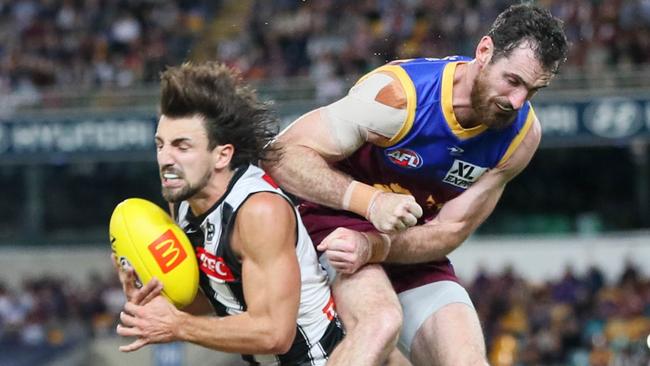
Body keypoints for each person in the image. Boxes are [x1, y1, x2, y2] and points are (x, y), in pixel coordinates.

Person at [264, 4, 569, 366]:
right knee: (380, 323)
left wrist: (374, 245)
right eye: (513, 81)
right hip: (333, 223)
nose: (517, 102)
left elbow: (451, 229)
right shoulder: (398, 97)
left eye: (533, 91)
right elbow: (280, 156)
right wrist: (370, 202)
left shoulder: (521, 137)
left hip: (405, 243)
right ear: (484, 51)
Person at [112, 62, 344, 365]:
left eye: (182, 146)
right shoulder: (184, 199)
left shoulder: (259, 211)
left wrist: (177, 324)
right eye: (161, 145)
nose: (166, 159)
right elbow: (217, 298)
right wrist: (155, 302)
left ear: (222, 155)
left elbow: (275, 333)